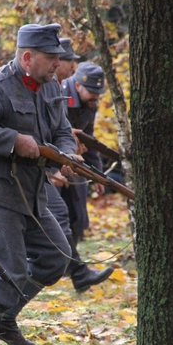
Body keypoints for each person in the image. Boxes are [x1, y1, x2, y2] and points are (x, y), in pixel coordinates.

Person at [0, 23, 81, 345]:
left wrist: (67, 155)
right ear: (27, 57)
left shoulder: (51, 85)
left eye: (58, 58)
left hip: (32, 190)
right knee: (7, 270)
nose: (59, 63)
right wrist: (14, 141)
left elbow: (63, 130)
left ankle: (5, 318)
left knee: (57, 256)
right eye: (51, 57)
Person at [59, 61, 114, 286]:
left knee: (78, 219)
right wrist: (55, 171)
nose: (96, 98)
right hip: (54, 167)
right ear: (78, 85)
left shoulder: (89, 104)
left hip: (74, 165)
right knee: (59, 219)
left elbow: (88, 139)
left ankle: (65, 265)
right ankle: (74, 271)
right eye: (92, 93)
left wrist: (97, 175)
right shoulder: (61, 96)